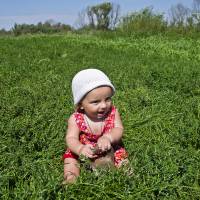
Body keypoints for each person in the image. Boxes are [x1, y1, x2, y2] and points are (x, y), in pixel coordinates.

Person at [62, 69, 129, 184]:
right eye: (95, 102)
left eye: (107, 99)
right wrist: (80, 149)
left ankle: (128, 175)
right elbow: (71, 138)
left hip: (109, 146)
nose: (103, 105)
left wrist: (108, 137)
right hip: (84, 149)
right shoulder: (75, 118)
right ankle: (71, 178)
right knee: (70, 158)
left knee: (121, 156)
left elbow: (118, 129)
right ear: (80, 104)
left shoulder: (113, 112)